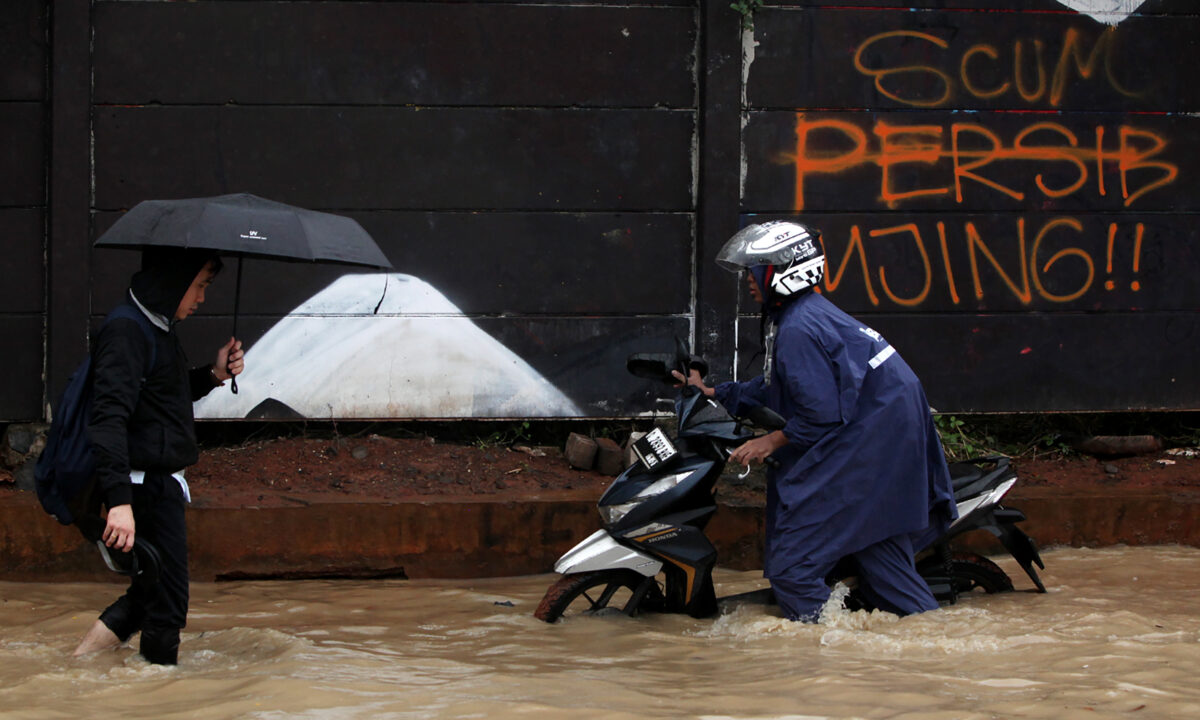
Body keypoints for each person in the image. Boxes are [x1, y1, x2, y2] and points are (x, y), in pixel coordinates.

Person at [674, 221, 957, 622]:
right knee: (876, 549)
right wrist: (717, 394)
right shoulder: (802, 317)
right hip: (889, 434)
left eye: (755, 271)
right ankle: (932, 639)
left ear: (782, 272)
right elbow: (782, 386)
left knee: (792, 569)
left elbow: (819, 415)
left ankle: (822, 661)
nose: (748, 282)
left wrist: (772, 440)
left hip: (873, 437)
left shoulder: (799, 328)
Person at [72, 247, 244, 664]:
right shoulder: (127, 331)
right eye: (199, 285)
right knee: (167, 604)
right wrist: (119, 503)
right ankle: (158, 691)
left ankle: (79, 665)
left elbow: (162, 397)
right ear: (173, 278)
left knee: (151, 590)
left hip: (154, 483)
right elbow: (108, 419)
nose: (201, 298)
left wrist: (214, 375)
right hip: (141, 485)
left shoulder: (154, 327)